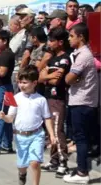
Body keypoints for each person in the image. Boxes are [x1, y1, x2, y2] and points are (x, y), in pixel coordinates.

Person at [0, 65, 55, 185]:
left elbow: (47, 118)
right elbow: (10, 118)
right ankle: (22, 175)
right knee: (22, 165)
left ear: (34, 83)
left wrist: (52, 135)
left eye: (24, 82)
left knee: (35, 162)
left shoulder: (41, 100)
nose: (21, 85)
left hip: (37, 134)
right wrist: (4, 117)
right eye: (19, 82)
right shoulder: (16, 98)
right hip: (20, 136)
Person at [63, 23, 98, 184]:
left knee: (81, 139)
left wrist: (70, 78)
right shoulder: (79, 54)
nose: (69, 39)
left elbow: (68, 78)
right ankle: (80, 169)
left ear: (81, 37)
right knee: (81, 138)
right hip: (82, 101)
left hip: (82, 102)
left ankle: (82, 172)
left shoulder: (84, 55)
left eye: (71, 36)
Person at [39, 27, 71, 178]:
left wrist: (47, 75)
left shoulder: (65, 58)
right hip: (47, 97)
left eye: (52, 41)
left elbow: (58, 80)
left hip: (58, 98)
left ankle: (63, 162)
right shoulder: (51, 59)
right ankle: (54, 160)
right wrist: (47, 76)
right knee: (50, 131)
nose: (49, 43)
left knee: (57, 131)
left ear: (60, 42)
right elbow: (39, 77)